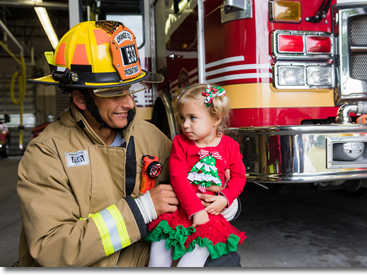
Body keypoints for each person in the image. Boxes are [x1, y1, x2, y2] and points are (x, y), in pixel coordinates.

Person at [15, 21, 240, 267]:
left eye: (130, 90)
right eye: (114, 93)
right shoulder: (48, 152)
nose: (130, 103)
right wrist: (143, 209)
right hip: (88, 263)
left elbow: (193, 180)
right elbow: (52, 249)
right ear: (81, 98)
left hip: (139, 254)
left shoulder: (150, 136)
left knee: (223, 259)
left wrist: (224, 202)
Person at [146, 84, 247, 267]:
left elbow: (239, 176)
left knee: (191, 262)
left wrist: (225, 199)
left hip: (210, 218)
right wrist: (196, 210)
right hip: (178, 211)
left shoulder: (230, 146)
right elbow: (178, 178)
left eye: (193, 118)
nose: (185, 125)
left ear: (216, 119)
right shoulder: (180, 143)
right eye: (183, 118)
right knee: (158, 256)